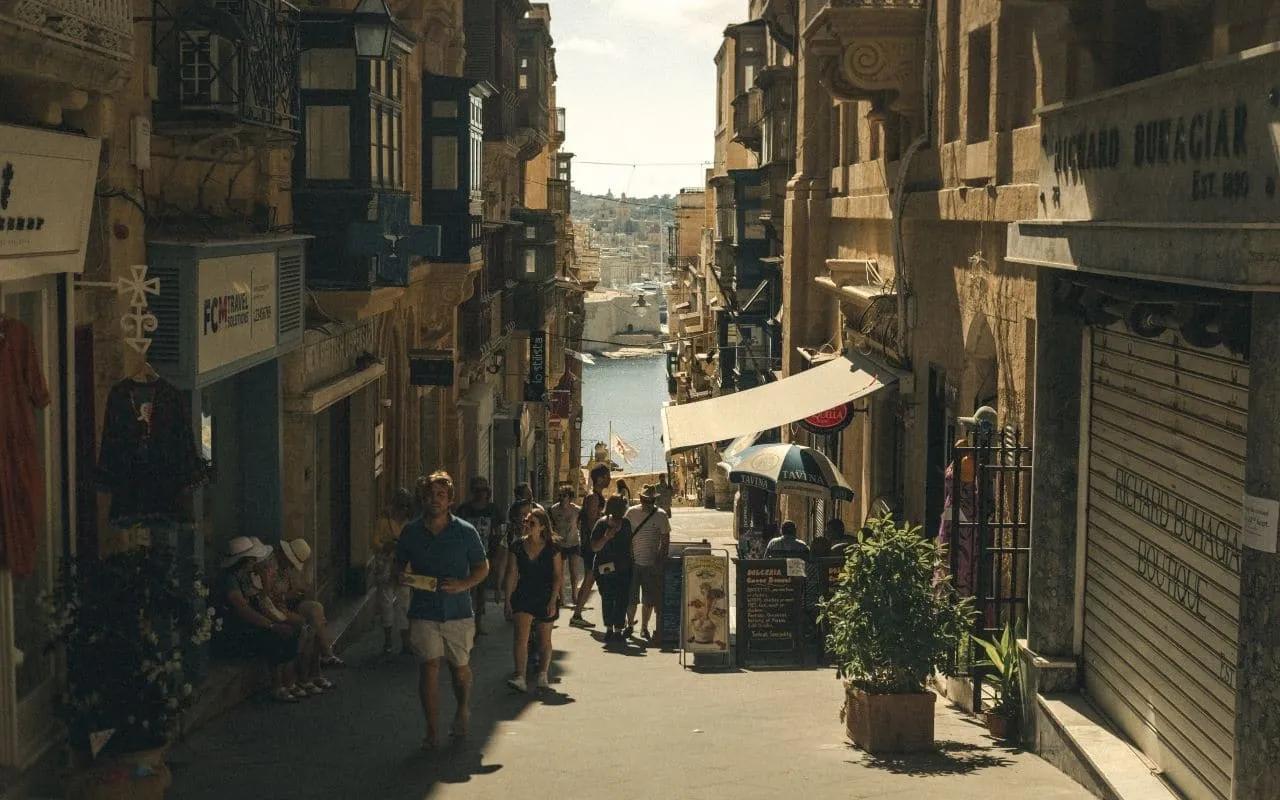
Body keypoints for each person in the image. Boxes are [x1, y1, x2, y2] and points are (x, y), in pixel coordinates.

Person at [395, 471, 489, 750]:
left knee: (459, 670)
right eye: (429, 495)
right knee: (429, 667)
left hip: (458, 612)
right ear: (422, 499)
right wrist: (402, 577)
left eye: (440, 495)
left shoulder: (465, 531)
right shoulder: (411, 532)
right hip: (423, 611)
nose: (434, 500)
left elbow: (482, 568)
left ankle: (462, 709)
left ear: (449, 500)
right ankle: (432, 730)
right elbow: (398, 567)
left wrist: (463, 585)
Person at [217, 537, 304, 703]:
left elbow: (261, 599)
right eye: (251, 559)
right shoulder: (230, 580)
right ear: (245, 561)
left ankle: (289, 681)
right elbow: (243, 609)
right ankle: (277, 686)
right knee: (275, 636)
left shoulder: (243, 576)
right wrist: (272, 625)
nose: (254, 563)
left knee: (291, 630)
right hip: (235, 630)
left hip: (248, 624)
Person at [503, 506, 564, 692]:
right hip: (523, 594)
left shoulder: (553, 548)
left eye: (532, 523)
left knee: (544, 639)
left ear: (542, 527)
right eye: (526, 521)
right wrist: (507, 599)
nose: (527, 525)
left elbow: (557, 576)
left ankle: (543, 675)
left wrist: (554, 600)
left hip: (545, 595)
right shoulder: (517, 546)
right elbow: (512, 573)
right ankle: (520, 676)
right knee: (520, 638)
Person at [455, 477, 505, 633]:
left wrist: (496, 554)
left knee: (481, 592)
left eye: (483, 490)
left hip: (486, 555)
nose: (480, 494)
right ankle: (466, 622)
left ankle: (477, 624)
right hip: (465, 557)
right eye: (476, 490)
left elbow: (499, 532)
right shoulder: (464, 510)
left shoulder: (493, 510)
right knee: (467, 590)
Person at [624, 484, 671, 641]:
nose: (646, 503)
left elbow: (665, 541)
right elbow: (624, 535)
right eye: (645, 499)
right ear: (641, 498)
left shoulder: (661, 515)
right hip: (633, 561)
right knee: (631, 597)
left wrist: (659, 560)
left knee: (648, 600)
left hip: (652, 563)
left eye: (649, 500)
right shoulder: (631, 513)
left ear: (653, 500)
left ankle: (644, 627)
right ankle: (630, 624)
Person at [371, 488, 415, 655]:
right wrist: (386, 546)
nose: (403, 509)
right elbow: (374, 543)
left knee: (404, 604)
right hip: (387, 568)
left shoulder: (411, 524)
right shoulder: (383, 522)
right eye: (400, 506)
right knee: (386, 603)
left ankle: (405, 642)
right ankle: (388, 640)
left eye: (406, 506)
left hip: (405, 568)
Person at [570, 464, 611, 628]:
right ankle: (577, 614)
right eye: (607, 476)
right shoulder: (594, 498)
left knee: (590, 579)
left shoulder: (596, 497)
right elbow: (592, 522)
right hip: (591, 546)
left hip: (592, 546)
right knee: (589, 579)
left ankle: (578, 614)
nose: (609, 480)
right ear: (599, 479)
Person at [589, 495, 633, 644]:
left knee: (622, 599)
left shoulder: (626, 524)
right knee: (608, 598)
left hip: (623, 568)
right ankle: (609, 629)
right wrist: (606, 537)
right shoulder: (601, 524)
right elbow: (595, 547)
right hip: (605, 568)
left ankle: (618, 630)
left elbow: (629, 546)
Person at [549, 484, 582, 604]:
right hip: (559, 544)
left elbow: (580, 525)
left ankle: (575, 595)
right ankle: (561, 597)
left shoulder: (577, 510)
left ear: (570, 497)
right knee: (559, 572)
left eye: (565, 496)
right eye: (560, 495)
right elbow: (550, 526)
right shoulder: (553, 509)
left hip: (573, 543)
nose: (562, 498)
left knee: (574, 571)